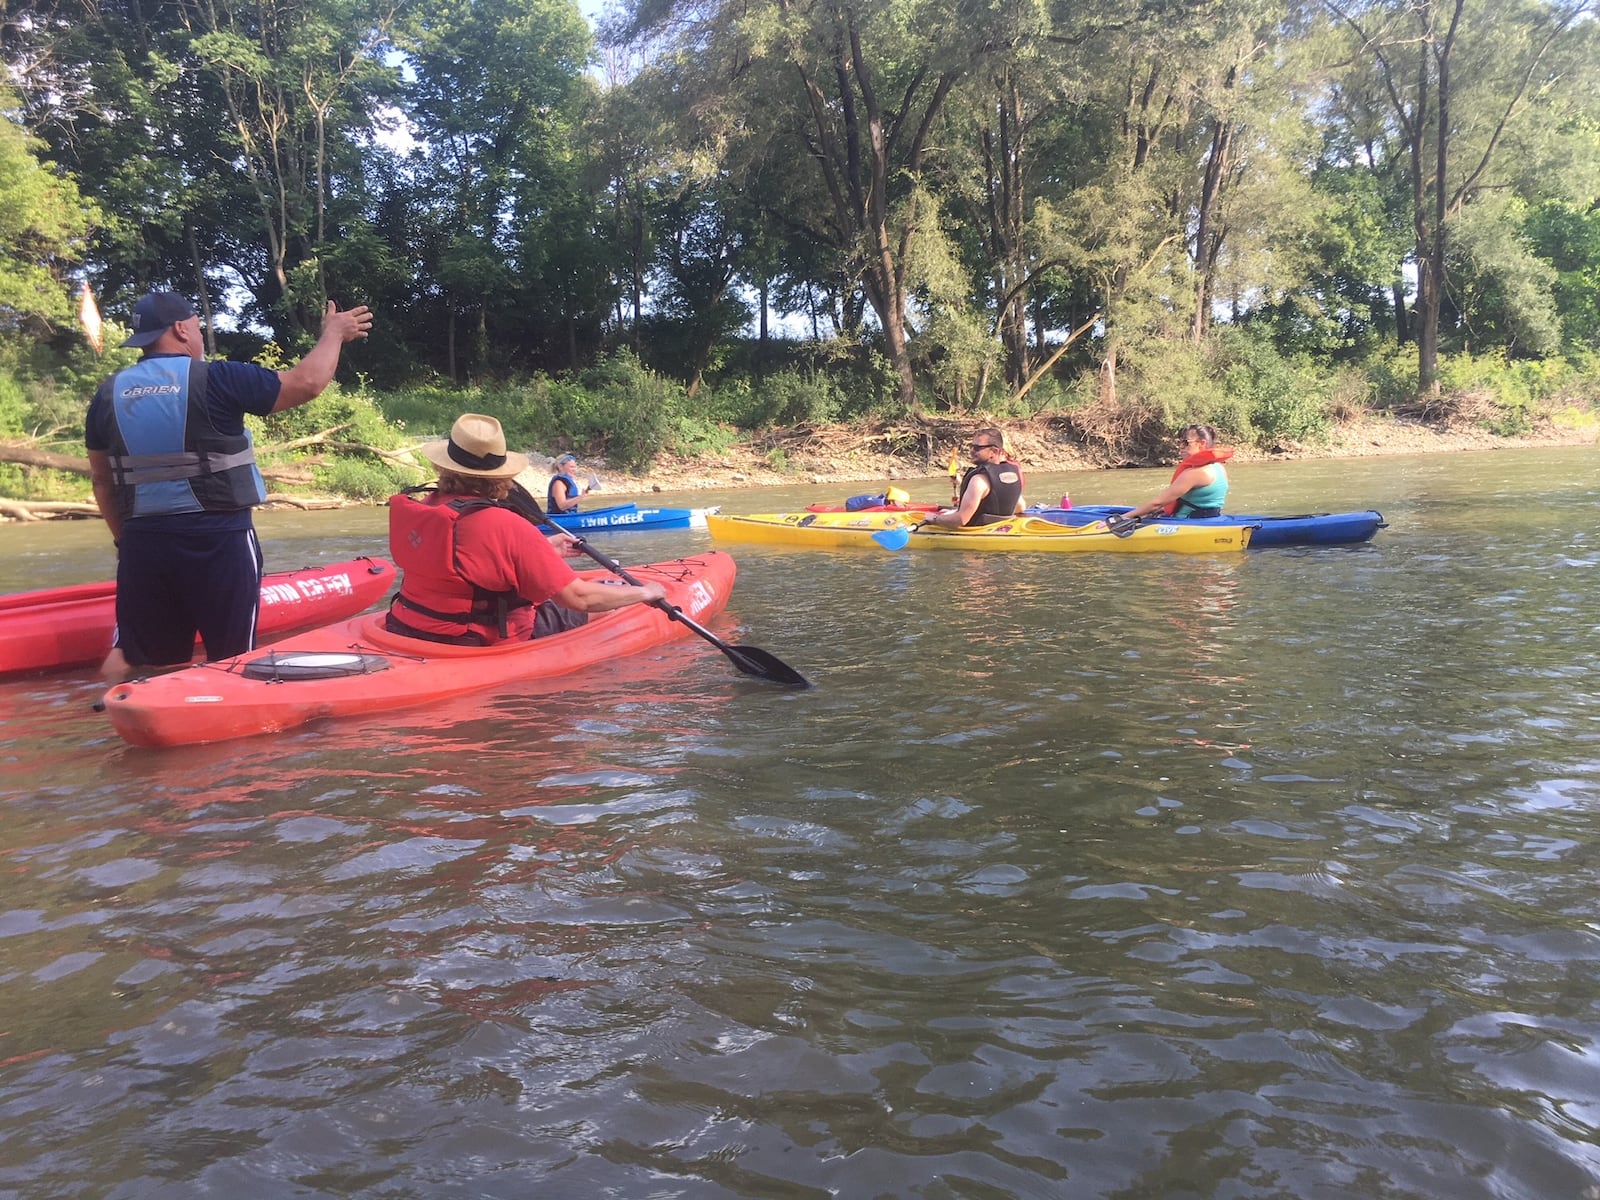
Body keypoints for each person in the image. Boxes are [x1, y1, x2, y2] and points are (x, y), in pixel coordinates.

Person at [86, 290, 373, 682]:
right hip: (218, 539)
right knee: (234, 659)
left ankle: (109, 716)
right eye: (197, 327)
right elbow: (307, 383)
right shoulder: (220, 378)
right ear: (182, 329)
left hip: (142, 542)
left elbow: (103, 482)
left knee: (139, 658)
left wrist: (127, 541)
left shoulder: (107, 393)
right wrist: (334, 334)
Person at [386, 413, 666, 645]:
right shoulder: (510, 525)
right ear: (503, 476)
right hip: (479, 637)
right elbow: (580, 598)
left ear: (445, 467)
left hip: (410, 624)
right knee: (613, 596)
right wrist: (645, 593)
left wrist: (542, 549)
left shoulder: (427, 506)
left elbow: (460, 563)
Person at [1115, 423, 1233, 522]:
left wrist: (1122, 518)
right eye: (1180, 443)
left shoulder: (1194, 474)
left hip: (1188, 524)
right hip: (1212, 520)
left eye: (1186, 443)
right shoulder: (1219, 468)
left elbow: (1157, 504)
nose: (1180, 447)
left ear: (1202, 444)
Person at [920, 429, 1026, 529]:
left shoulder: (978, 480)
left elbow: (960, 520)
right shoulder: (1012, 474)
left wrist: (934, 518)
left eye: (977, 448)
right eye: (971, 446)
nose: (971, 451)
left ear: (994, 451)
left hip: (976, 532)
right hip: (1003, 528)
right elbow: (1020, 508)